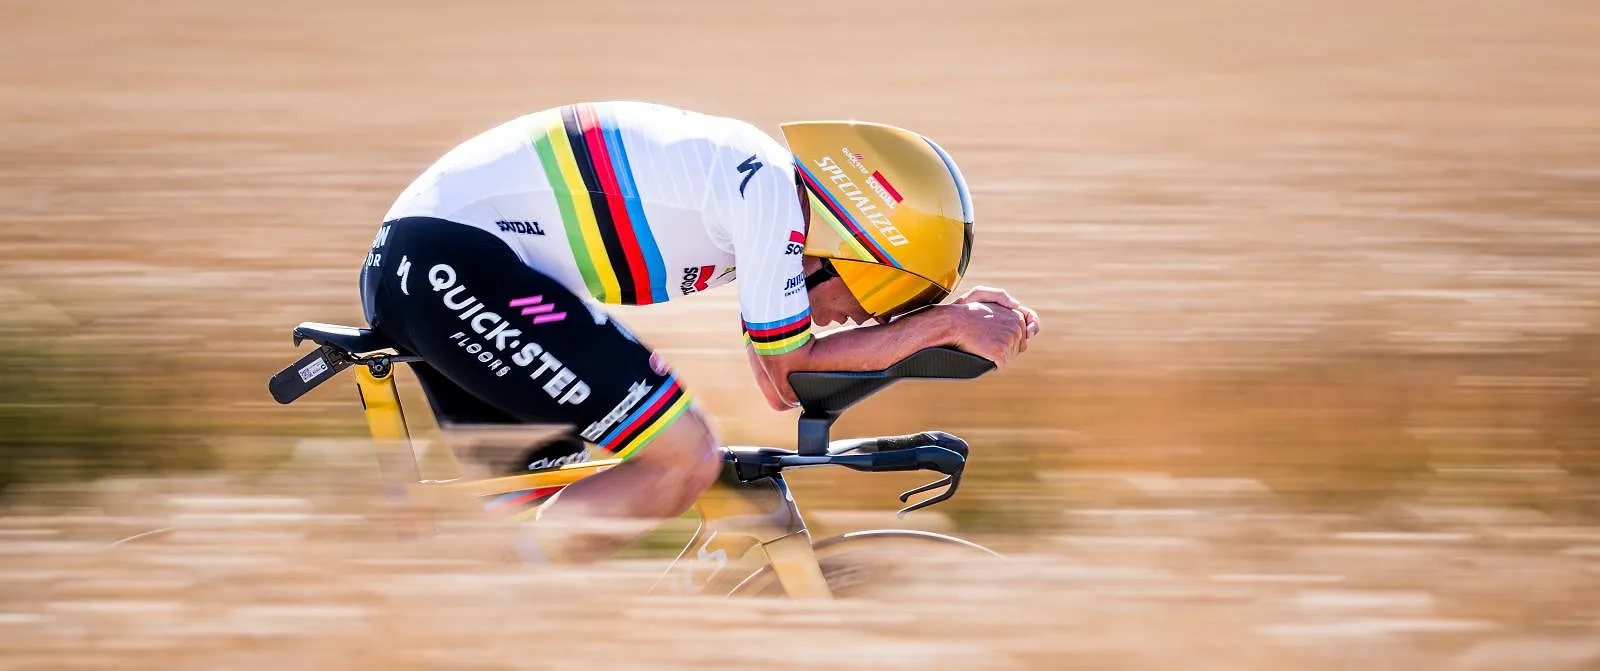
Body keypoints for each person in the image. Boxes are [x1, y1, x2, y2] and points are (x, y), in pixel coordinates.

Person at [359, 101, 1039, 561]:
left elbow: (780, 377)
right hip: (451, 260)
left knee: (554, 520)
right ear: (856, 240)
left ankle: (466, 615)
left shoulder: (758, 192)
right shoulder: (770, 192)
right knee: (685, 455)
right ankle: (483, 603)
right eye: (880, 295)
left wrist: (926, 327)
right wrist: (942, 323)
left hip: (437, 262)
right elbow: (788, 375)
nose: (862, 318)